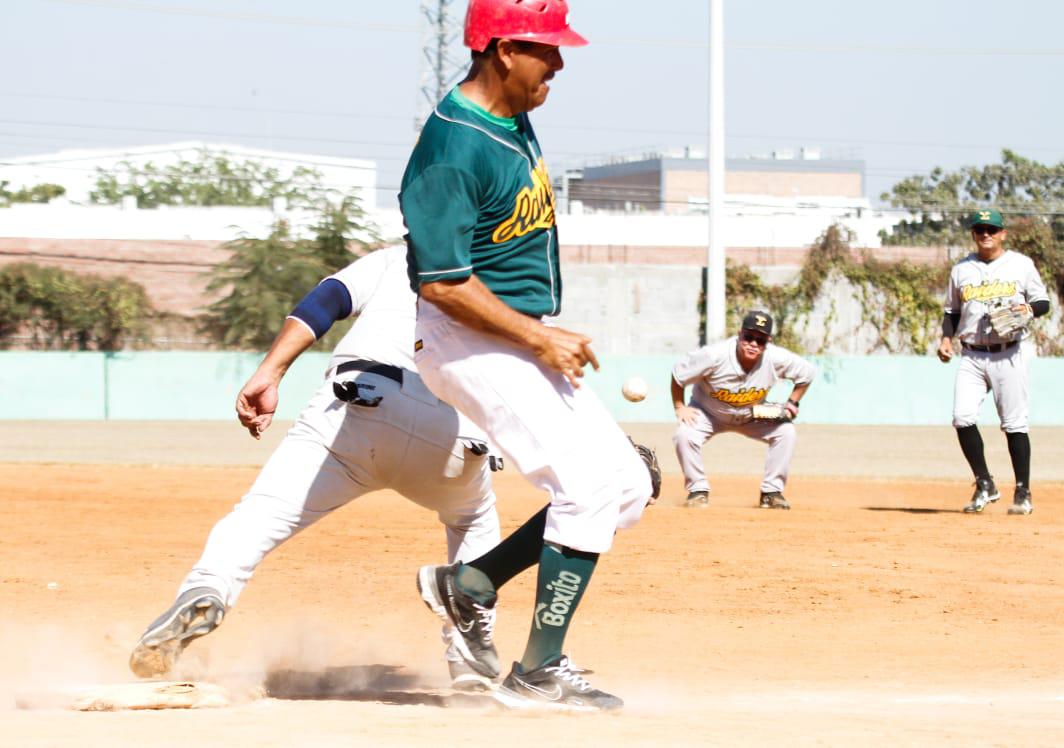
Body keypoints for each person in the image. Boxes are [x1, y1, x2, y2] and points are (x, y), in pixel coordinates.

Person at [400, 0, 659, 712]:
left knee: (626, 484)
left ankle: (470, 584)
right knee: (580, 486)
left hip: (514, 334)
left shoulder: (511, 114)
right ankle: (538, 672)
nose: (561, 63)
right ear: (504, 50)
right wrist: (538, 335)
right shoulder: (452, 148)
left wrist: (538, 331)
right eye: (548, 48)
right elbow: (442, 283)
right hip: (467, 338)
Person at [128, 245, 505, 692]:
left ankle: (206, 591)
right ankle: (467, 650)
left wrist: (270, 372)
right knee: (473, 520)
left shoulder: (400, 256)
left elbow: (326, 302)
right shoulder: (505, 277)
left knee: (260, 515)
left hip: (360, 400)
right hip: (455, 432)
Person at [937, 209, 1050, 515]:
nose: (985, 234)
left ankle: (1023, 491)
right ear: (974, 235)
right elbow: (951, 311)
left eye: (991, 229)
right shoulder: (962, 269)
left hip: (1009, 353)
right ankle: (985, 483)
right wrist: (946, 339)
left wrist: (1027, 309)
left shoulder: (1020, 265)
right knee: (962, 417)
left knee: (1014, 423)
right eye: (979, 230)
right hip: (972, 353)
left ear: (1003, 234)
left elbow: (1043, 302)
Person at [671, 311, 816, 510]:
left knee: (786, 432)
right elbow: (678, 374)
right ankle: (698, 490)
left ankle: (771, 492)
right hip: (708, 413)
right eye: (748, 337)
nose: (753, 344)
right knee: (684, 435)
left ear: (768, 342)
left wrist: (792, 403)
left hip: (752, 414)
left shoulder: (776, 358)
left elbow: (807, 374)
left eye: (760, 340)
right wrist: (680, 406)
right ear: (739, 334)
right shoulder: (714, 356)